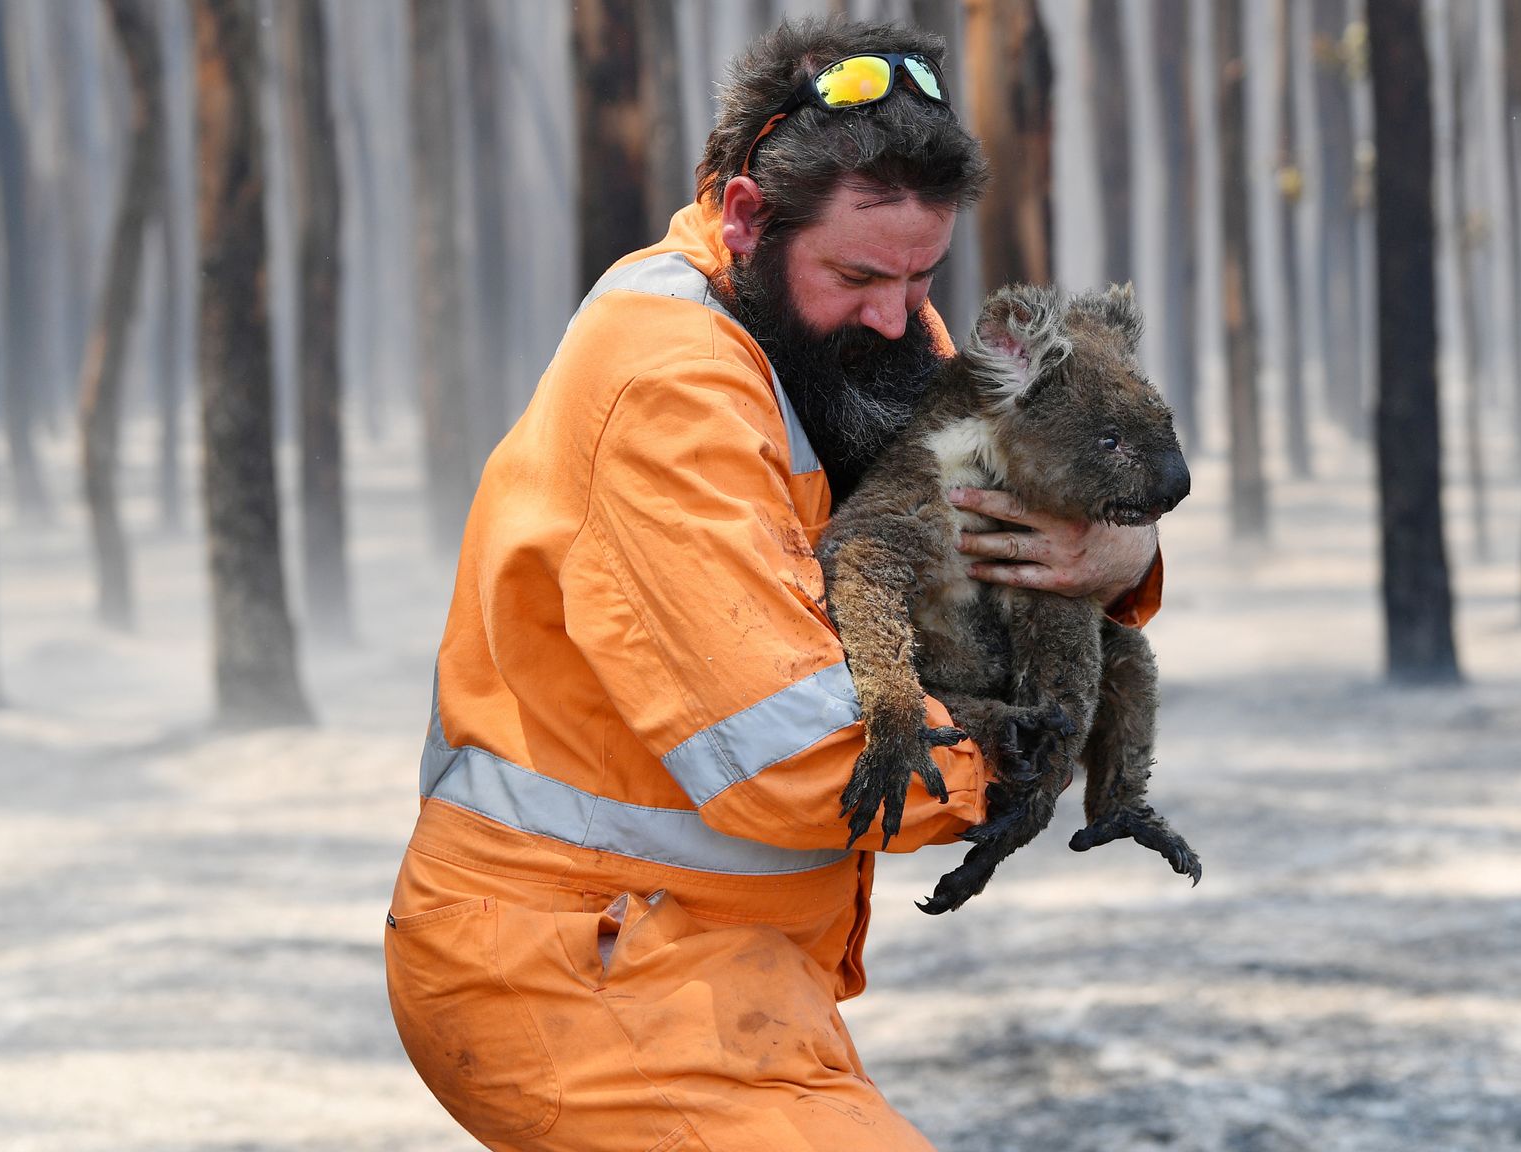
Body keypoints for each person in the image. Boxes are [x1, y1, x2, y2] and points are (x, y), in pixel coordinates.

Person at [384, 18, 1164, 1151]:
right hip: (575, 972)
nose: (903, 316)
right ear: (748, 218)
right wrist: (1022, 755)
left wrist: (1123, 562)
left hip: (717, 966)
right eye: (859, 274)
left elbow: (1009, 511)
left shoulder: (845, 328)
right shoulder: (670, 388)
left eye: (923, 275)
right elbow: (791, 753)